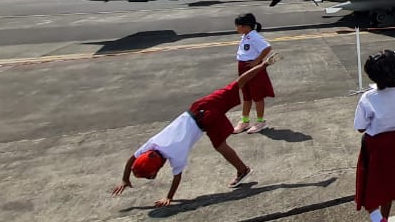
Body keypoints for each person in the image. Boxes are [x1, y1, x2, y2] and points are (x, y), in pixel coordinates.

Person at [111, 53, 282, 207]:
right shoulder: (152, 145)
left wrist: (169, 197)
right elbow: (130, 159)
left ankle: (243, 170)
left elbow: (176, 178)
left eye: (153, 174)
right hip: (199, 107)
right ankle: (264, 65)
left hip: (207, 121)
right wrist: (125, 178)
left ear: (156, 167)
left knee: (220, 145)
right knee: (236, 85)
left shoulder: (175, 155)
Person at [354, 49, 395, 222]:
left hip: (374, 144)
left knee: (371, 185)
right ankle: (385, 217)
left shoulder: (369, 97)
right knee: (389, 184)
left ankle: (377, 218)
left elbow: (360, 127)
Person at [232, 13, 274, 134]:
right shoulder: (245, 36)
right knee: (246, 95)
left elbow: (267, 47)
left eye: (237, 26)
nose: (236, 28)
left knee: (257, 96)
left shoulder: (254, 37)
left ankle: (260, 121)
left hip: (253, 69)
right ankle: (245, 121)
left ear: (245, 26)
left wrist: (256, 61)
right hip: (243, 67)